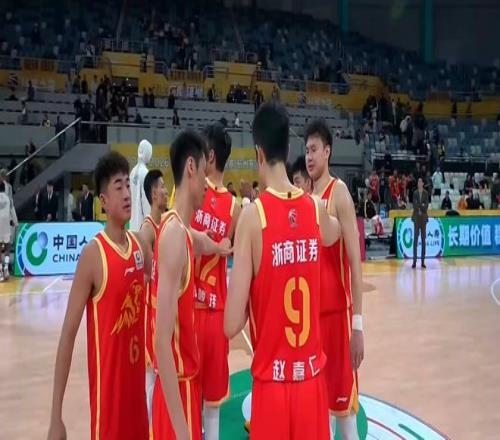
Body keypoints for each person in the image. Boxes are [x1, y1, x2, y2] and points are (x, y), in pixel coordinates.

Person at [224, 102, 341, 439]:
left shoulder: (253, 217)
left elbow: (231, 324)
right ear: (289, 150)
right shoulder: (315, 208)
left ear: (258, 153)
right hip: (311, 380)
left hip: (272, 384)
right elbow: (335, 234)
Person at [47, 152, 152, 440]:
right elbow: (67, 336)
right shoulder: (93, 255)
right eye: (118, 187)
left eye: (128, 185)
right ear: (103, 201)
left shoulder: (139, 246)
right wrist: (56, 417)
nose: (127, 193)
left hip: (138, 403)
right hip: (109, 409)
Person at [152, 130, 231, 440]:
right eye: (203, 173)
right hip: (178, 387)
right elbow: (161, 341)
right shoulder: (174, 236)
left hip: (185, 384)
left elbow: (202, 242)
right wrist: (182, 431)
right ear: (190, 167)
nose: (207, 184)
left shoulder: (181, 230)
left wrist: (220, 246)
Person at [305, 118, 364, 440]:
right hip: (312, 320)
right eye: (306, 151)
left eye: (314, 150)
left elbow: (355, 262)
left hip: (338, 318)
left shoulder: (338, 192)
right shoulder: (306, 197)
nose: (309, 157)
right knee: (319, 409)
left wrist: (358, 326)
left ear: (327, 152)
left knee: (344, 410)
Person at [190, 123, 241, 440]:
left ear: (209, 156)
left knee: (190, 396)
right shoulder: (235, 207)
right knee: (212, 403)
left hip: (190, 307)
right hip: (216, 312)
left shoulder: (191, 190)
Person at [140, 169, 169, 422]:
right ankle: (150, 426)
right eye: (162, 186)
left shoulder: (167, 225)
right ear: (153, 193)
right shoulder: (147, 230)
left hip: (165, 310)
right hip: (151, 312)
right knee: (151, 374)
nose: (166, 191)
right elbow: (145, 277)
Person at [130, 140, 153, 231]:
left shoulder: (132, 172)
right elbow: (146, 202)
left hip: (132, 225)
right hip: (143, 227)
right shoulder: (145, 173)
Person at [0, 181, 17, 281]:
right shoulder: (9, 199)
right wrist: (16, 222)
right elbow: (12, 211)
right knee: (7, 248)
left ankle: (0, 271)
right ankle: (6, 268)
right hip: (6, 226)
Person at [411, 178, 429, 269]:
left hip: (423, 218)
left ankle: (422, 261)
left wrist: (420, 207)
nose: (419, 183)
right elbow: (414, 205)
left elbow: (426, 205)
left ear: (423, 183)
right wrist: (420, 206)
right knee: (415, 240)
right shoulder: (415, 193)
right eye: (418, 182)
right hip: (416, 218)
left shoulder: (426, 193)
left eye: (421, 182)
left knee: (423, 240)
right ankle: (414, 261)